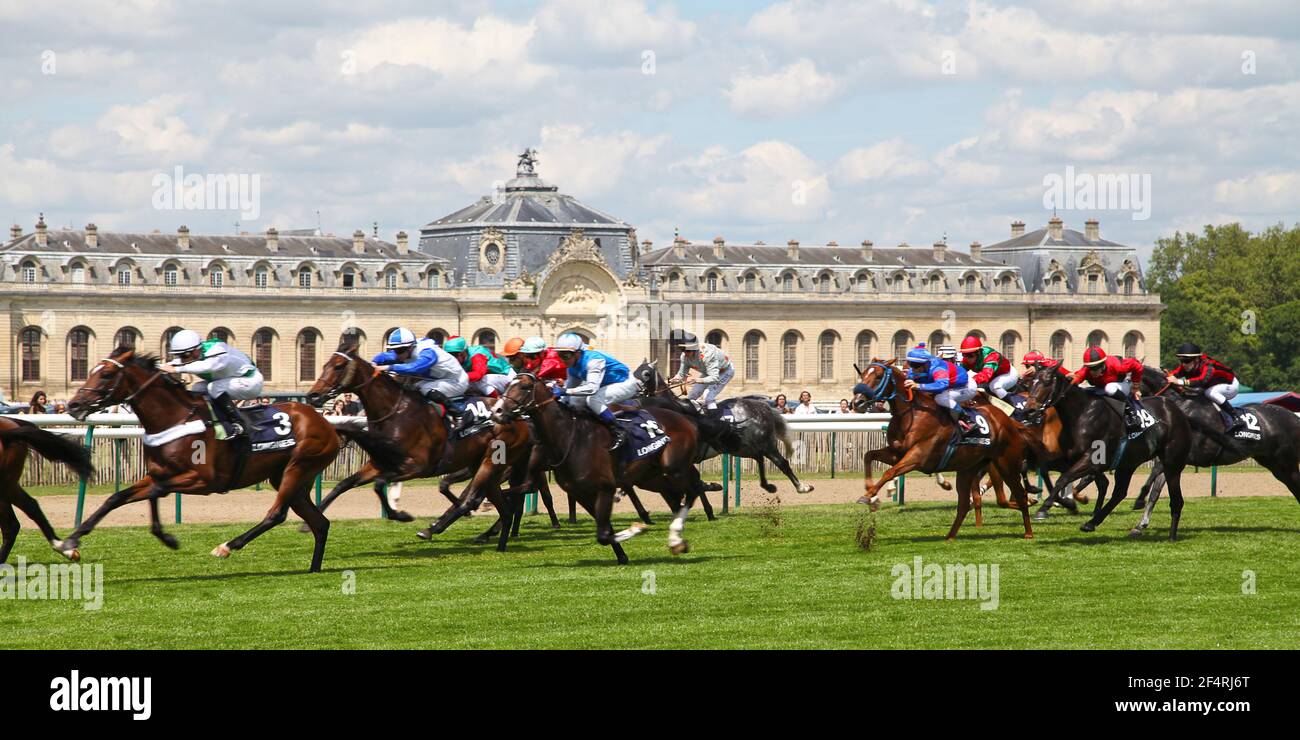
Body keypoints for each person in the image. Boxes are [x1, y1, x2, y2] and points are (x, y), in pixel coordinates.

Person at [159, 329, 264, 438]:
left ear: (196, 351)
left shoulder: (217, 349)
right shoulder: (196, 353)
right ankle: (210, 420)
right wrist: (159, 366)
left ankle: (240, 423)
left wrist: (176, 370)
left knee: (214, 388)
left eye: (184, 356)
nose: (182, 360)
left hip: (251, 382)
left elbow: (207, 366)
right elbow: (176, 364)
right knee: (197, 388)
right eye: (179, 356)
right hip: (232, 380)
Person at [551, 333, 640, 450]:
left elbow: (591, 388)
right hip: (605, 385)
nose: (563, 359)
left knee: (593, 400)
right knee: (574, 402)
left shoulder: (593, 360)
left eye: (566, 355)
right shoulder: (572, 366)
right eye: (560, 355)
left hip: (625, 383)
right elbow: (569, 391)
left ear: (578, 353)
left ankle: (619, 431)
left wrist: (564, 391)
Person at [372, 327, 469, 416]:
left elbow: (414, 368)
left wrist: (388, 367)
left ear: (410, 348)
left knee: (424, 388)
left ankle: (457, 413)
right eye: (395, 350)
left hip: (457, 382)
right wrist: (374, 362)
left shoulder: (427, 353)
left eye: (399, 350)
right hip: (441, 380)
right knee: (411, 388)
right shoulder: (406, 350)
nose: (396, 354)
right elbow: (385, 356)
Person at [1168, 342, 1243, 431]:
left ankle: (1236, 417)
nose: (1184, 364)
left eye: (1187, 361)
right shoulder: (1187, 366)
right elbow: (1173, 374)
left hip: (1230, 385)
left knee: (1210, 393)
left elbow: (1202, 380)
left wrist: (1179, 382)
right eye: (1181, 361)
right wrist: (1168, 376)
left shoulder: (1208, 365)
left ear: (1196, 359)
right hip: (1213, 385)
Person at [903, 344, 976, 431]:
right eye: (911, 364)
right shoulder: (915, 369)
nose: (913, 369)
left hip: (966, 387)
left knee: (940, 398)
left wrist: (918, 385)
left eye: (916, 365)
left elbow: (941, 385)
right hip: (950, 387)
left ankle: (966, 419)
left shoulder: (938, 368)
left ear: (925, 364)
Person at [1070, 346, 1144, 429]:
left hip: (1122, 385)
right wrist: (1071, 379)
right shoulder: (1087, 370)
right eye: (1090, 368)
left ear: (1102, 365)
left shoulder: (1117, 365)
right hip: (1102, 388)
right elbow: (1077, 377)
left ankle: (1132, 414)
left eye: (1095, 368)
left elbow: (1137, 366)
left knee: (1109, 388)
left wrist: (1136, 388)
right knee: (1084, 391)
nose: (1092, 372)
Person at [670, 337, 734, 410]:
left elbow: (714, 378)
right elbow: (681, 374)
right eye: (683, 350)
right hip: (708, 372)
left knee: (708, 397)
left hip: (724, 371)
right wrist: (673, 380)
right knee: (692, 396)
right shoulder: (684, 357)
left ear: (694, 350)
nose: (685, 353)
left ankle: (713, 419)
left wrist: (697, 380)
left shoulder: (707, 356)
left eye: (687, 351)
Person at [443, 335, 514, 398]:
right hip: (493, 381)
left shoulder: (477, 355)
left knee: (479, 380)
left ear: (463, 352)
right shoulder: (459, 358)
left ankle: (498, 401)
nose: (452, 359)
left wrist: (456, 377)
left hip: (508, 377)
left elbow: (478, 375)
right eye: (449, 356)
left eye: (454, 355)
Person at [959, 335, 1019, 402]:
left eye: (970, 355)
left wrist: (969, 381)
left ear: (978, 352)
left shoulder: (991, 356)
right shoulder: (966, 360)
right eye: (964, 355)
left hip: (1008, 374)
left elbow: (985, 375)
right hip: (992, 376)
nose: (967, 358)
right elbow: (959, 373)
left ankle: (1014, 410)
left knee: (995, 386)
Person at [503, 336, 568, 382]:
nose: (529, 360)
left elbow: (533, 376)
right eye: (526, 356)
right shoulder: (536, 359)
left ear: (542, 353)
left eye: (531, 356)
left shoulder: (551, 359)